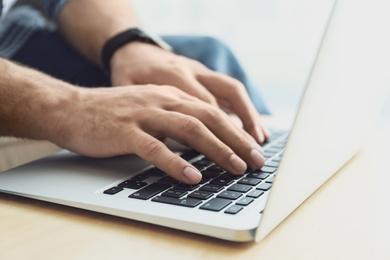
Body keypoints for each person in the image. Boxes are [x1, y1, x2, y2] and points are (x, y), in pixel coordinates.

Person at [0, 0, 270, 185]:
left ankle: (267, 158)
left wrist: (127, 43)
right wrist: (70, 106)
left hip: (14, 32)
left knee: (209, 53)